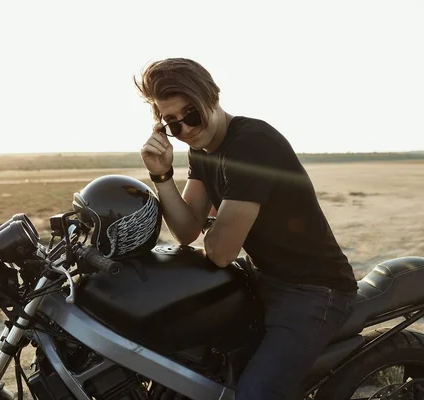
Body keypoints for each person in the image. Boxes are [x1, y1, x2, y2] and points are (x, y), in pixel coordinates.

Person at [134, 58, 358, 400]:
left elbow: (222, 252)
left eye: (191, 114)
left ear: (211, 96)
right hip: (263, 278)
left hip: (314, 291)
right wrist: (161, 174)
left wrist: (215, 229)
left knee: (255, 394)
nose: (188, 129)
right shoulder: (202, 150)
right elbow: (186, 231)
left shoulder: (252, 144)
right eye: (173, 125)